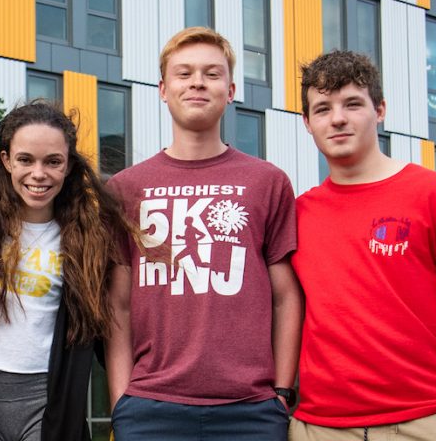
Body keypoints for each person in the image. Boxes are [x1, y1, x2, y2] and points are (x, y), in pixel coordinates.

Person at [106, 27, 303, 441]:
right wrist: (121, 401)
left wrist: (282, 393)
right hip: (149, 409)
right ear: (162, 89)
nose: (197, 82)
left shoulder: (267, 181)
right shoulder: (126, 188)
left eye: (212, 74)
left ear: (230, 90)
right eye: (184, 73)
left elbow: (286, 295)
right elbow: (118, 304)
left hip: (251, 411)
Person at [290, 50, 436, 441]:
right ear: (307, 123)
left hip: (425, 424)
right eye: (322, 109)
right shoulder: (299, 213)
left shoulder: (435, 195)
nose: (337, 119)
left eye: (352, 104)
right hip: (320, 428)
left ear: (379, 110)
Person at [0, 101, 131, 441]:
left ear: (68, 166)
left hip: (48, 401)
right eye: (25, 159)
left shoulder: (86, 239)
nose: (39, 174)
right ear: (6, 159)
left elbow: (111, 326)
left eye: (53, 162)